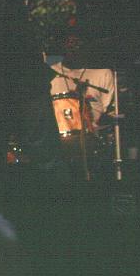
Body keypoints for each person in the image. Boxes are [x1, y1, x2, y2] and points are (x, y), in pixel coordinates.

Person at [48, 28, 115, 178]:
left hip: (94, 142)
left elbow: (109, 113)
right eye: (69, 43)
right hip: (58, 143)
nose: (73, 48)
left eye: (78, 44)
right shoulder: (50, 73)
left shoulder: (103, 73)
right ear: (62, 45)